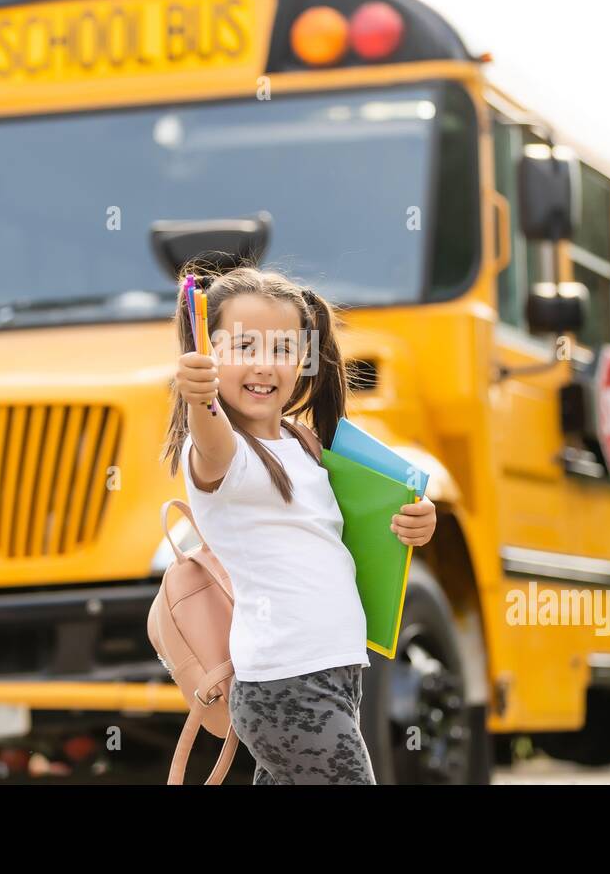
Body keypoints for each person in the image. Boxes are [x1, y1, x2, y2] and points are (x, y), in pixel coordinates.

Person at [161, 266, 437, 784]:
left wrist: (416, 521)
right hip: (286, 685)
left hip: (333, 675)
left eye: (283, 349)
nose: (265, 365)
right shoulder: (225, 455)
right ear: (209, 353)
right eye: (243, 346)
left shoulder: (305, 446)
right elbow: (208, 429)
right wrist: (199, 396)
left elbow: (357, 533)